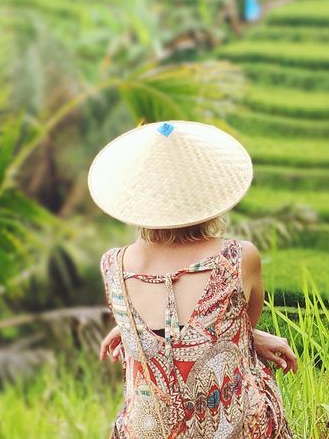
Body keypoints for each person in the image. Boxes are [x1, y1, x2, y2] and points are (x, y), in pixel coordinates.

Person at [90, 121, 297, 438]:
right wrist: (254, 336)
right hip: (235, 428)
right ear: (211, 196)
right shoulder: (239, 258)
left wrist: (131, 328)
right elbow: (239, 330)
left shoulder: (114, 266)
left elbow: (220, 331)